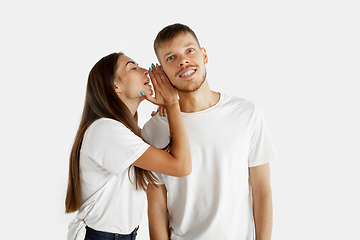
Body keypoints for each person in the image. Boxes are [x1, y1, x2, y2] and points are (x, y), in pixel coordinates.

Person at [142, 23, 279, 240]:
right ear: (161, 71)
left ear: (204, 55)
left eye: (189, 50)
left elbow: (261, 189)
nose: (183, 60)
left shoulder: (246, 113)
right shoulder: (153, 130)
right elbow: (157, 207)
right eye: (170, 58)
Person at [65, 52, 191, 240]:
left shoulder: (124, 133)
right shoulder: (106, 129)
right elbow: (181, 166)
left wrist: (167, 115)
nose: (145, 71)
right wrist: (172, 104)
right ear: (116, 86)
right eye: (133, 67)